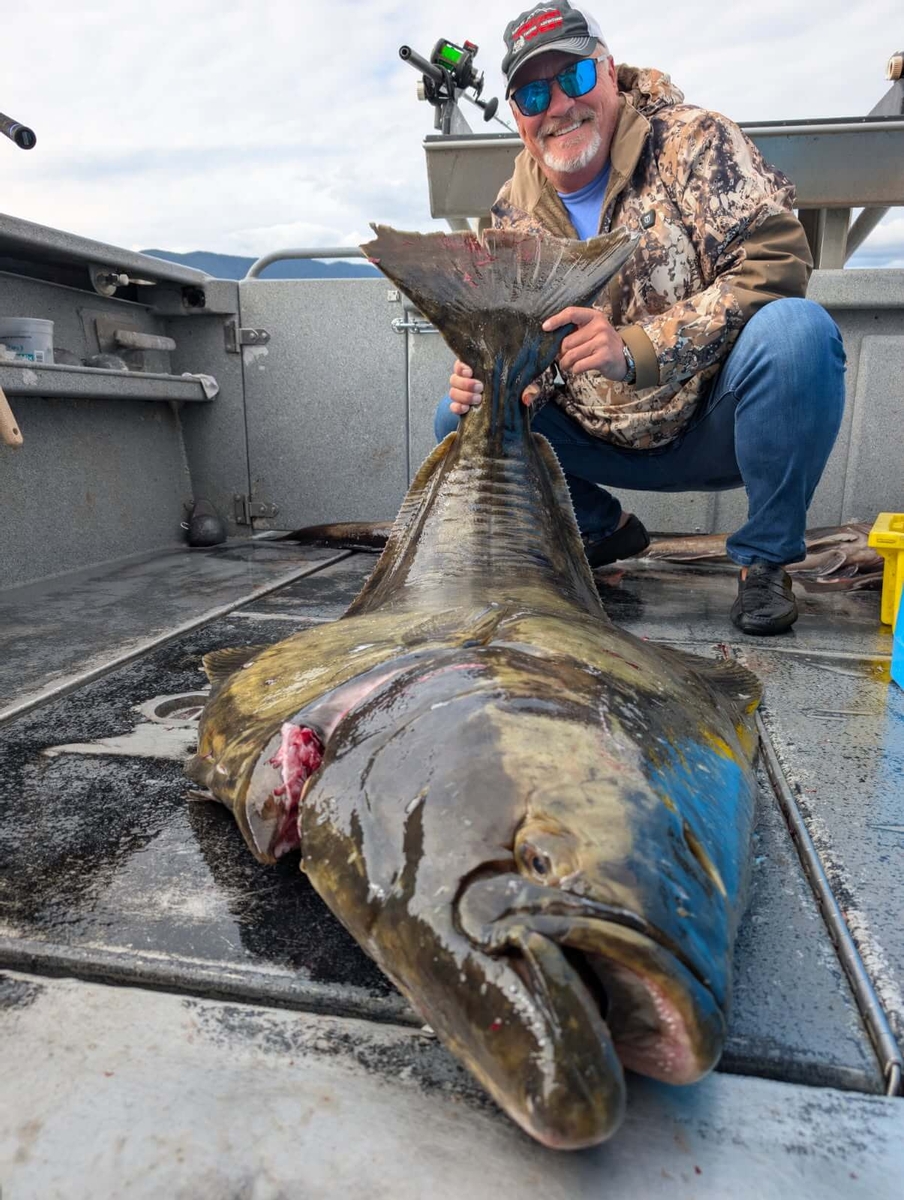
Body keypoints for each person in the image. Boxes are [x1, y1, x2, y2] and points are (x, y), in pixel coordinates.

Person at [436, 2, 846, 635]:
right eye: (533, 93)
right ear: (517, 114)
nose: (557, 106)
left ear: (607, 71)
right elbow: (523, 345)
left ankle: (764, 560)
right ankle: (599, 531)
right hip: (592, 438)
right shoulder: (509, 214)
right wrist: (491, 374)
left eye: (572, 78)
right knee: (458, 413)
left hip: (713, 419)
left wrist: (637, 348)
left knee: (799, 336)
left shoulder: (693, 140)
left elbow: (777, 259)